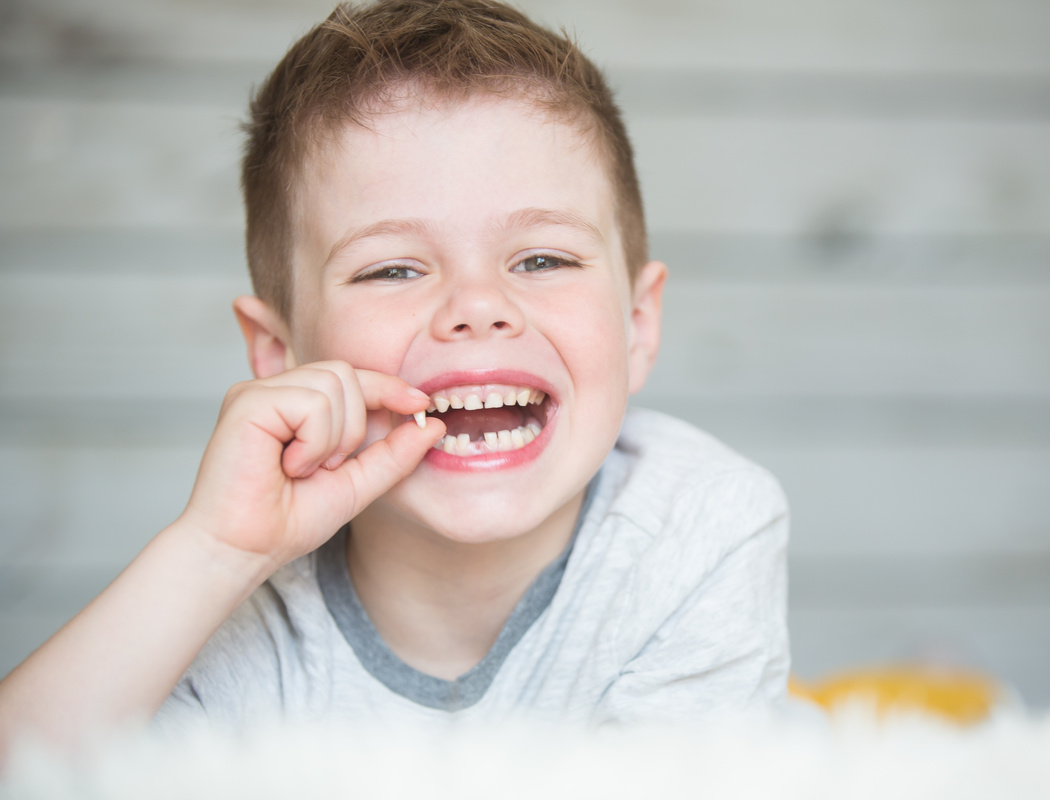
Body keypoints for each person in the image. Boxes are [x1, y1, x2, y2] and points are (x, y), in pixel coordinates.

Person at [0, 0, 789, 755]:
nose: (478, 307)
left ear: (637, 325)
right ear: (281, 356)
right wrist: (213, 553)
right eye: (392, 269)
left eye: (542, 258)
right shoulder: (241, 598)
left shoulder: (698, 525)